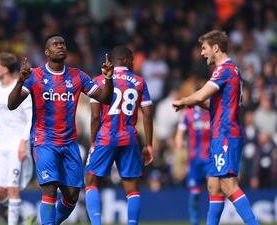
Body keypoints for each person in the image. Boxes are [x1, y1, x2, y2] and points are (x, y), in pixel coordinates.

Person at [7, 33, 114, 225]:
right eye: (56, 44)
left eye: (63, 43)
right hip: (44, 141)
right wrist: (21, 81)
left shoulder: (77, 76)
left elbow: (105, 99)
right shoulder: (35, 76)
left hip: (69, 143)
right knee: (50, 188)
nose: (61, 46)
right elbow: (12, 104)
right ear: (47, 52)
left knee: (72, 196)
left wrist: (108, 79)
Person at [172, 30, 259, 225]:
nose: (202, 53)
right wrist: (193, 102)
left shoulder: (225, 70)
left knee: (228, 185)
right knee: (214, 186)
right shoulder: (232, 71)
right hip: (220, 133)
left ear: (216, 48)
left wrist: (185, 100)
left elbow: (202, 95)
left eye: (204, 48)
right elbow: (213, 105)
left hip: (226, 133)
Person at [84, 45, 154, 225]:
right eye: (132, 60)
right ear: (124, 60)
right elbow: (147, 115)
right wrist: (148, 145)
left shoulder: (98, 81)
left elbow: (95, 116)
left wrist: (93, 141)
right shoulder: (139, 82)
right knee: (132, 188)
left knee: (91, 181)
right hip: (129, 137)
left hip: (105, 136)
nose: (134, 63)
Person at [0, 52, 34, 225]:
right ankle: (24, 213)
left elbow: (30, 118)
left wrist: (23, 143)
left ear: (4, 69)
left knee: (13, 188)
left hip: (16, 146)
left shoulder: (21, 89)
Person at [175, 105, 210, 225]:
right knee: (194, 195)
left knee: (215, 190)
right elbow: (180, 132)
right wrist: (179, 139)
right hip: (194, 161)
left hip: (211, 160)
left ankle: (213, 221)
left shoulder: (214, 111)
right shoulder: (188, 113)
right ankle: (194, 222)